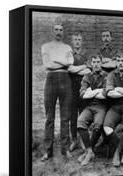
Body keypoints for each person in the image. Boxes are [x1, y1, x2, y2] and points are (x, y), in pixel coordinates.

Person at [40, 23, 74, 161]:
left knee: (65, 118)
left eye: (61, 30)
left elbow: (70, 62)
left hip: (65, 79)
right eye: (56, 29)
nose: (59, 32)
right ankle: (48, 151)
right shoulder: (46, 46)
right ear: (52, 31)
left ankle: (65, 150)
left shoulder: (67, 47)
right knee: (49, 118)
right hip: (51, 80)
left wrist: (56, 60)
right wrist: (63, 62)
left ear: (63, 32)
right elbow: (47, 64)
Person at [76, 54, 108, 165]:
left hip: (102, 106)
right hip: (89, 106)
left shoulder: (106, 76)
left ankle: (89, 151)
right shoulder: (87, 76)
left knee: (98, 126)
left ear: (101, 63)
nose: (96, 64)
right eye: (94, 62)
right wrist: (96, 92)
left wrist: (91, 92)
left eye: (98, 62)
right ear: (91, 64)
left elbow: (105, 94)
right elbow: (83, 94)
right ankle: (89, 151)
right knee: (80, 122)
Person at [68, 33, 91, 151]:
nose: (77, 41)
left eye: (79, 40)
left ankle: (83, 139)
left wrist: (75, 69)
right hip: (71, 86)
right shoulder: (69, 54)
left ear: (82, 41)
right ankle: (74, 140)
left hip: (83, 86)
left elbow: (88, 70)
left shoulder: (86, 53)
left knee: (82, 114)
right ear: (72, 41)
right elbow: (69, 68)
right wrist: (82, 67)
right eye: (75, 39)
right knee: (72, 114)